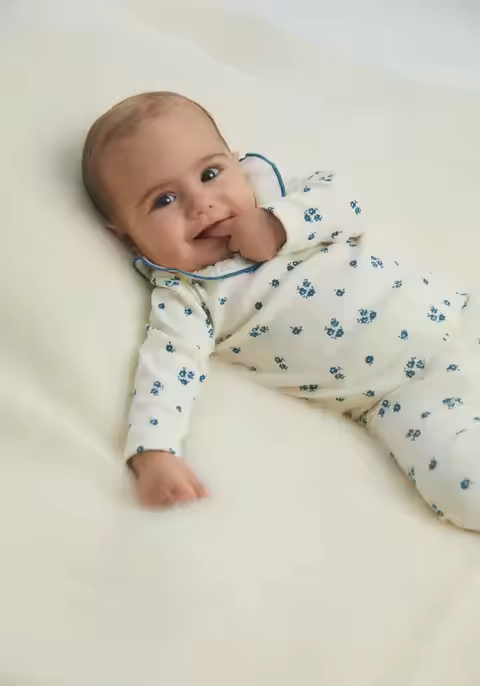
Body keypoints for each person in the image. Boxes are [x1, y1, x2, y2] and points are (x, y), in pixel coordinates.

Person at [82, 91, 480, 530]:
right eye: (164, 200)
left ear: (237, 164)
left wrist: (279, 224)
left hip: (460, 312)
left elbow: (350, 201)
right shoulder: (188, 298)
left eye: (210, 174)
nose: (200, 203)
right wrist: (154, 451)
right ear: (128, 238)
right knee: (462, 489)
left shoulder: (279, 196)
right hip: (400, 396)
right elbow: (166, 371)